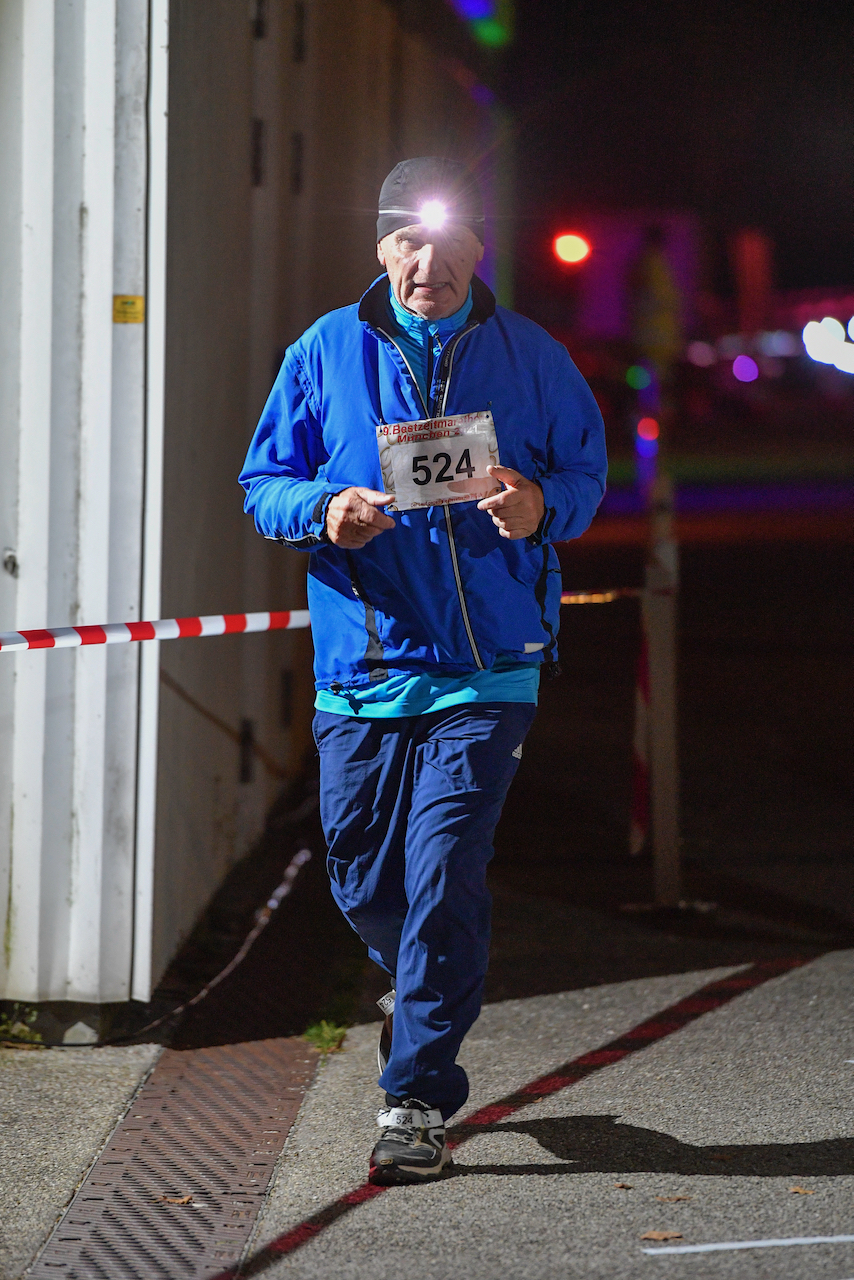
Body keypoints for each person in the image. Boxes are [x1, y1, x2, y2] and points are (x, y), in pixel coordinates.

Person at [240, 157, 607, 1185]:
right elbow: (262, 480)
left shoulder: (528, 355)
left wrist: (542, 506)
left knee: (444, 865)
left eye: (448, 240)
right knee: (362, 874)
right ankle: (421, 971)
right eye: (405, 236)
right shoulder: (325, 351)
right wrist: (324, 508)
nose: (426, 259)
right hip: (362, 663)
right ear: (379, 245)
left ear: (480, 248)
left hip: (487, 666)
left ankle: (413, 1095)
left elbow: (584, 469)